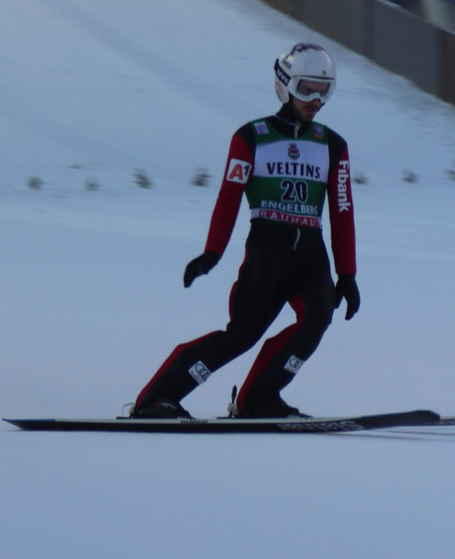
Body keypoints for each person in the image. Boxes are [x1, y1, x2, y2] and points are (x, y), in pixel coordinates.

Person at [131, 42, 359, 419]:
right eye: (307, 89)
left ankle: (259, 398)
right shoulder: (251, 137)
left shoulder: (333, 146)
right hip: (268, 254)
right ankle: (156, 398)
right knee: (240, 336)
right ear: (284, 86)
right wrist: (212, 254)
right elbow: (228, 198)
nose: (316, 101)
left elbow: (343, 210)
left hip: (311, 257)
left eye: (325, 91)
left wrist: (348, 274)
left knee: (317, 318)